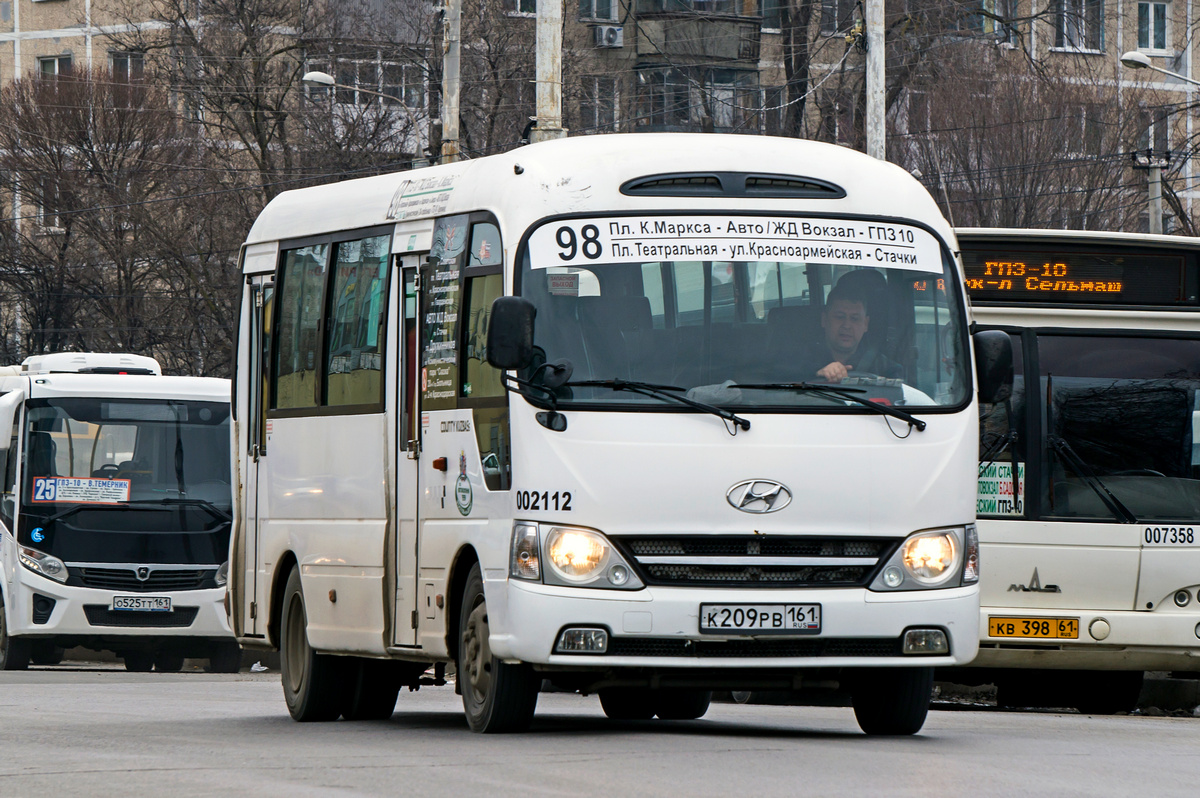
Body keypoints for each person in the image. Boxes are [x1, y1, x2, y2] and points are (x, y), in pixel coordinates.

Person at [799, 278, 901, 383]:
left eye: (855, 319)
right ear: (824, 320)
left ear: (865, 324)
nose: (847, 325)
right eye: (840, 317)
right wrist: (815, 374)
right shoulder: (800, 360)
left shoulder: (885, 368)